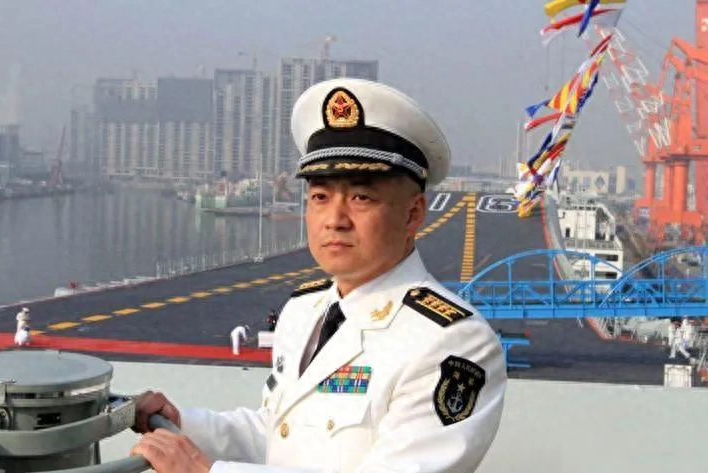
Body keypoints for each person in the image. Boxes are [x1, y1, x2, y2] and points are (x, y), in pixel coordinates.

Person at [131, 78, 507, 473]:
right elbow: (280, 434)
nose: (334, 220)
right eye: (320, 197)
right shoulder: (306, 310)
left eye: (361, 197)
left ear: (413, 214)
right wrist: (182, 424)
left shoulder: (451, 344)